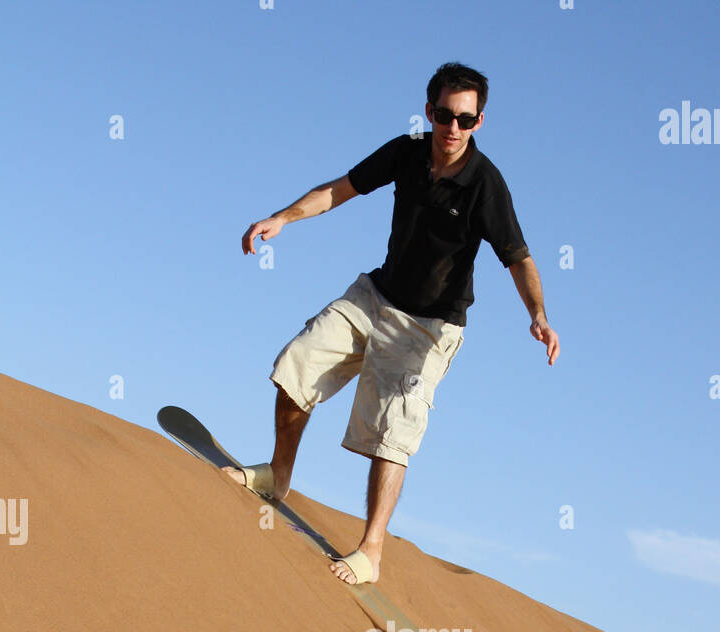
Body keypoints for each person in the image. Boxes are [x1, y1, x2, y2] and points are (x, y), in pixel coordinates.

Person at [237, 61, 559, 585]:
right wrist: (283, 218)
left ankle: (371, 552)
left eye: (466, 119)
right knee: (297, 364)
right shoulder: (407, 152)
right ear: (429, 111)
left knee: (393, 433)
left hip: (429, 328)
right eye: (444, 115)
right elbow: (340, 189)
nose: (453, 128)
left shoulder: (485, 185)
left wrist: (538, 314)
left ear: (479, 122)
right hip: (375, 296)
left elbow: (518, 258)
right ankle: (278, 475)